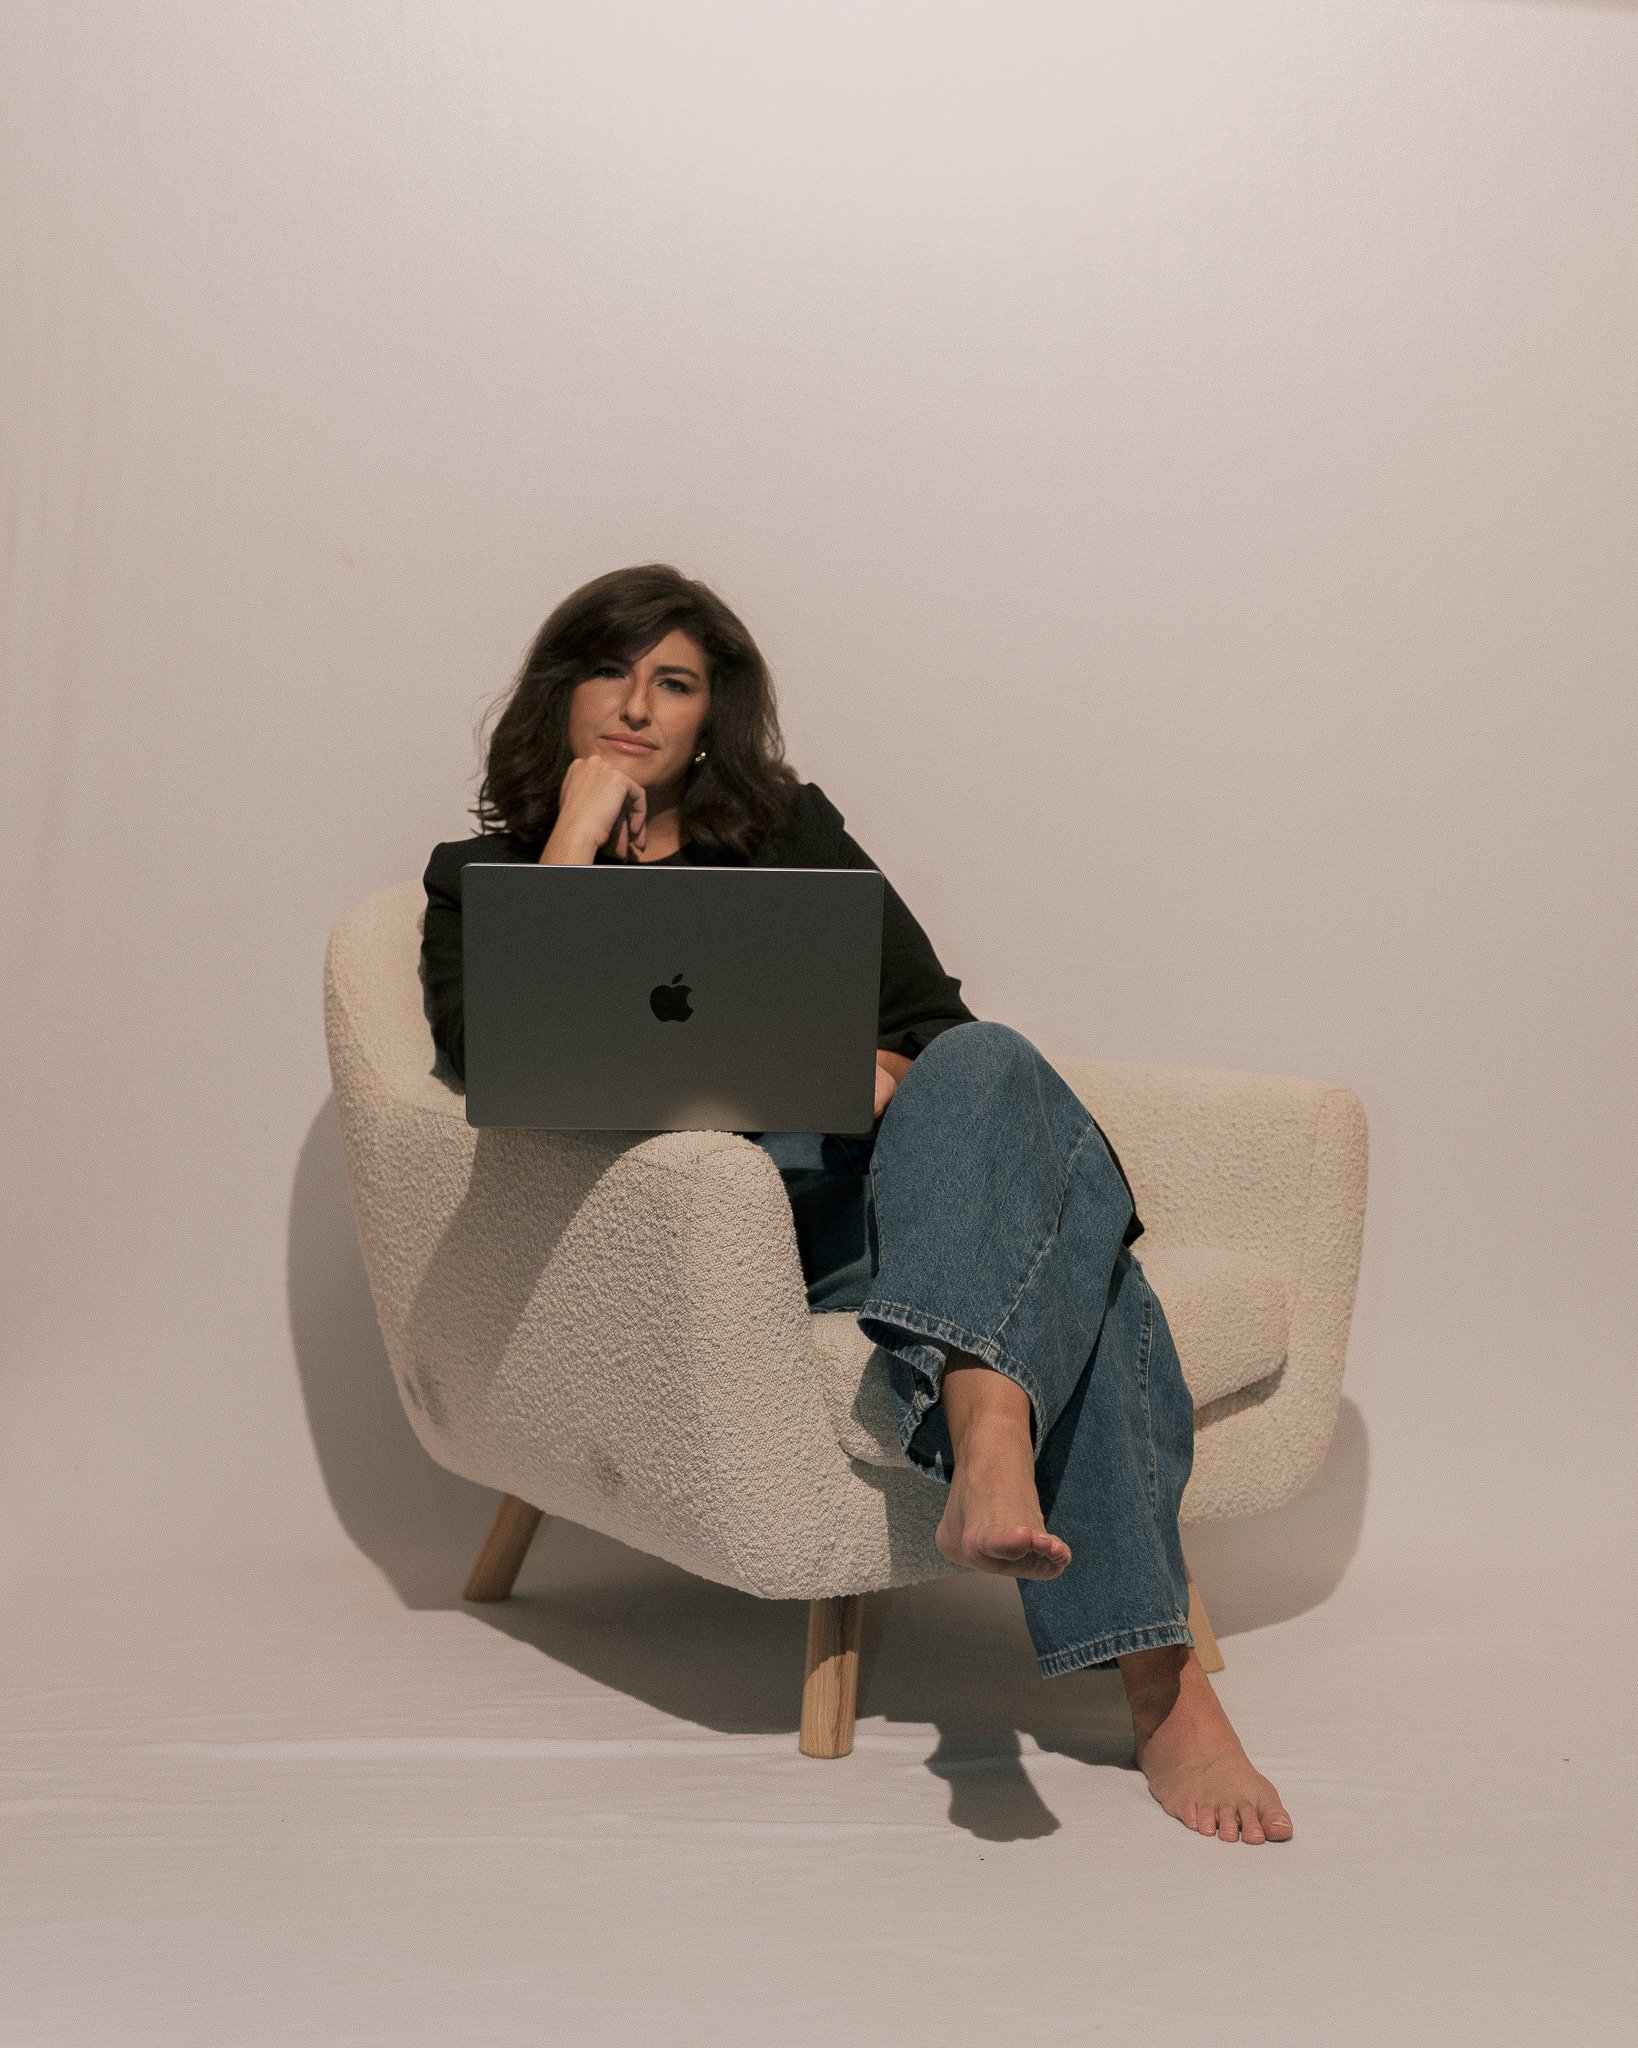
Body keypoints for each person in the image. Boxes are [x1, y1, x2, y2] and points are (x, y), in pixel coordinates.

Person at [421, 563, 1294, 1845]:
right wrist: (571, 844)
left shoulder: (789, 837)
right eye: (615, 672)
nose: (640, 706)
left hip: (894, 1206)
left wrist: (872, 1070)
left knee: (992, 1062)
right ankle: (1167, 1695)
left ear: (711, 715)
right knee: (1092, 1275)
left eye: (677, 682)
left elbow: (936, 1023)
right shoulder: (476, 879)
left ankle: (987, 1434)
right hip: (726, 1243)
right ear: (564, 693)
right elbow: (504, 1069)